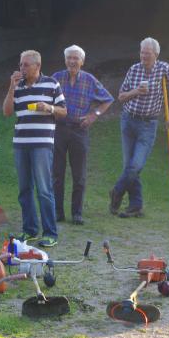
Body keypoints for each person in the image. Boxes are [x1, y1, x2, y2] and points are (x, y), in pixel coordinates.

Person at [109, 37, 169, 218]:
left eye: (147, 53)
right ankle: (136, 206)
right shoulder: (134, 69)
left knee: (135, 165)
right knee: (129, 165)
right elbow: (121, 96)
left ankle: (117, 192)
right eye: (142, 52)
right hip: (128, 120)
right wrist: (136, 91)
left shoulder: (164, 69)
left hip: (148, 124)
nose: (144, 56)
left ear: (156, 54)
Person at [3, 50, 66, 247]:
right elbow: (7, 111)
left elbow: (64, 111)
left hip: (42, 144)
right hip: (21, 144)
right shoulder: (18, 86)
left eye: (26, 65)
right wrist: (11, 87)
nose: (22, 68)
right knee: (24, 189)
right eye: (20, 64)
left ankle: (50, 233)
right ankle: (30, 229)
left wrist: (49, 108)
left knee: (44, 189)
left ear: (37, 66)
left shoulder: (51, 84)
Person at [51, 45, 113, 225]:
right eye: (69, 58)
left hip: (79, 130)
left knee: (79, 175)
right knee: (57, 174)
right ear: (65, 60)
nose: (72, 61)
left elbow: (108, 100)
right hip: (59, 129)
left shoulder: (89, 80)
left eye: (76, 58)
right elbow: (45, 98)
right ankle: (58, 212)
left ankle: (77, 213)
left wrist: (94, 115)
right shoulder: (56, 78)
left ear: (82, 61)